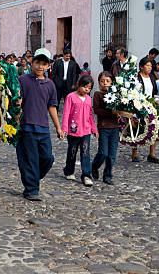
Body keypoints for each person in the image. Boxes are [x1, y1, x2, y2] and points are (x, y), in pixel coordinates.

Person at [16, 48, 64, 201]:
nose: (40, 67)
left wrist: (58, 127)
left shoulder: (50, 85)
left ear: (49, 66)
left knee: (48, 158)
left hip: (43, 127)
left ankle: (33, 177)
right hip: (26, 126)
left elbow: (52, 107)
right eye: (38, 63)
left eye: (44, 64)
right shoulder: (23, 80)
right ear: (32, 62)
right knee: (30, 159)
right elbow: (16, 101)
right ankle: (31, 189)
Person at [61, 74, 98, 187]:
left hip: (85, 131)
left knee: (85, 153)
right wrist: (64, 128)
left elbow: (90, 115)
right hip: (73, 130)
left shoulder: (88, 99)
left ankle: (86, 175)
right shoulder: (70, 97)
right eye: (84, 86)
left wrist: (94, 128)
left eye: (89, 88)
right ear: (78, 85)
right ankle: (69, 170)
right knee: (72, 151)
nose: (86, 89)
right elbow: (66, 113)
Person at [91, 71, 120, 185]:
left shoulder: (116, 95)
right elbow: (97, 110)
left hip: (115, 127)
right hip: (103, 127)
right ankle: (94, 166)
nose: (105, 83)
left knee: (112, 154)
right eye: (102, 81)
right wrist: (111, 112)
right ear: (99, 82)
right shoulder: (98, 95)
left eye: (107, 81)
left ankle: (108, 175)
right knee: (103, 152)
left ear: (112, 82)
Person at [136, 57, 159, 164]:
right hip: (139, 106)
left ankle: (152, 154)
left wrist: (156, 99)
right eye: (147, 66)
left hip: (151, 105)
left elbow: (154, 91)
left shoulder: (152, 77)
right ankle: (134, 153)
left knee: (154, 128)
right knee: (138, 129)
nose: (149, 68)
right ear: (141, 67)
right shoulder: (137, 78)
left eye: (151, 66)